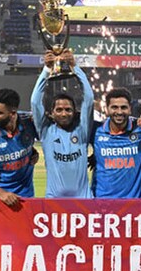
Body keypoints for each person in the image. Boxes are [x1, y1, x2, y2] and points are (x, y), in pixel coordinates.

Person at [30, 51, 94, 199]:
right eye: (59, 110)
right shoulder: (46, 132)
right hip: (54, 201)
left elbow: (89, 98)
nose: (64, 114)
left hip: (83, 200)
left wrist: (74, 67)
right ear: (51, 113)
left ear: (75, 112)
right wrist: (47, 69)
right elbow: (35, 102)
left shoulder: (82, 130)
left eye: (68, 110)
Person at [91, 87, 141, 199]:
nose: (119, 112)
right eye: (114, 107)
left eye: (123, 107)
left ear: (130, 109)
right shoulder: (96, 131)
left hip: (134, 203)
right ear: (107, 109)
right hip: (102, 201)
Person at [0, 88, 39, 206]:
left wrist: (33, 152)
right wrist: (2, 193)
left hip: (26, 196)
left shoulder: (29, 122)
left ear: (13, 114)